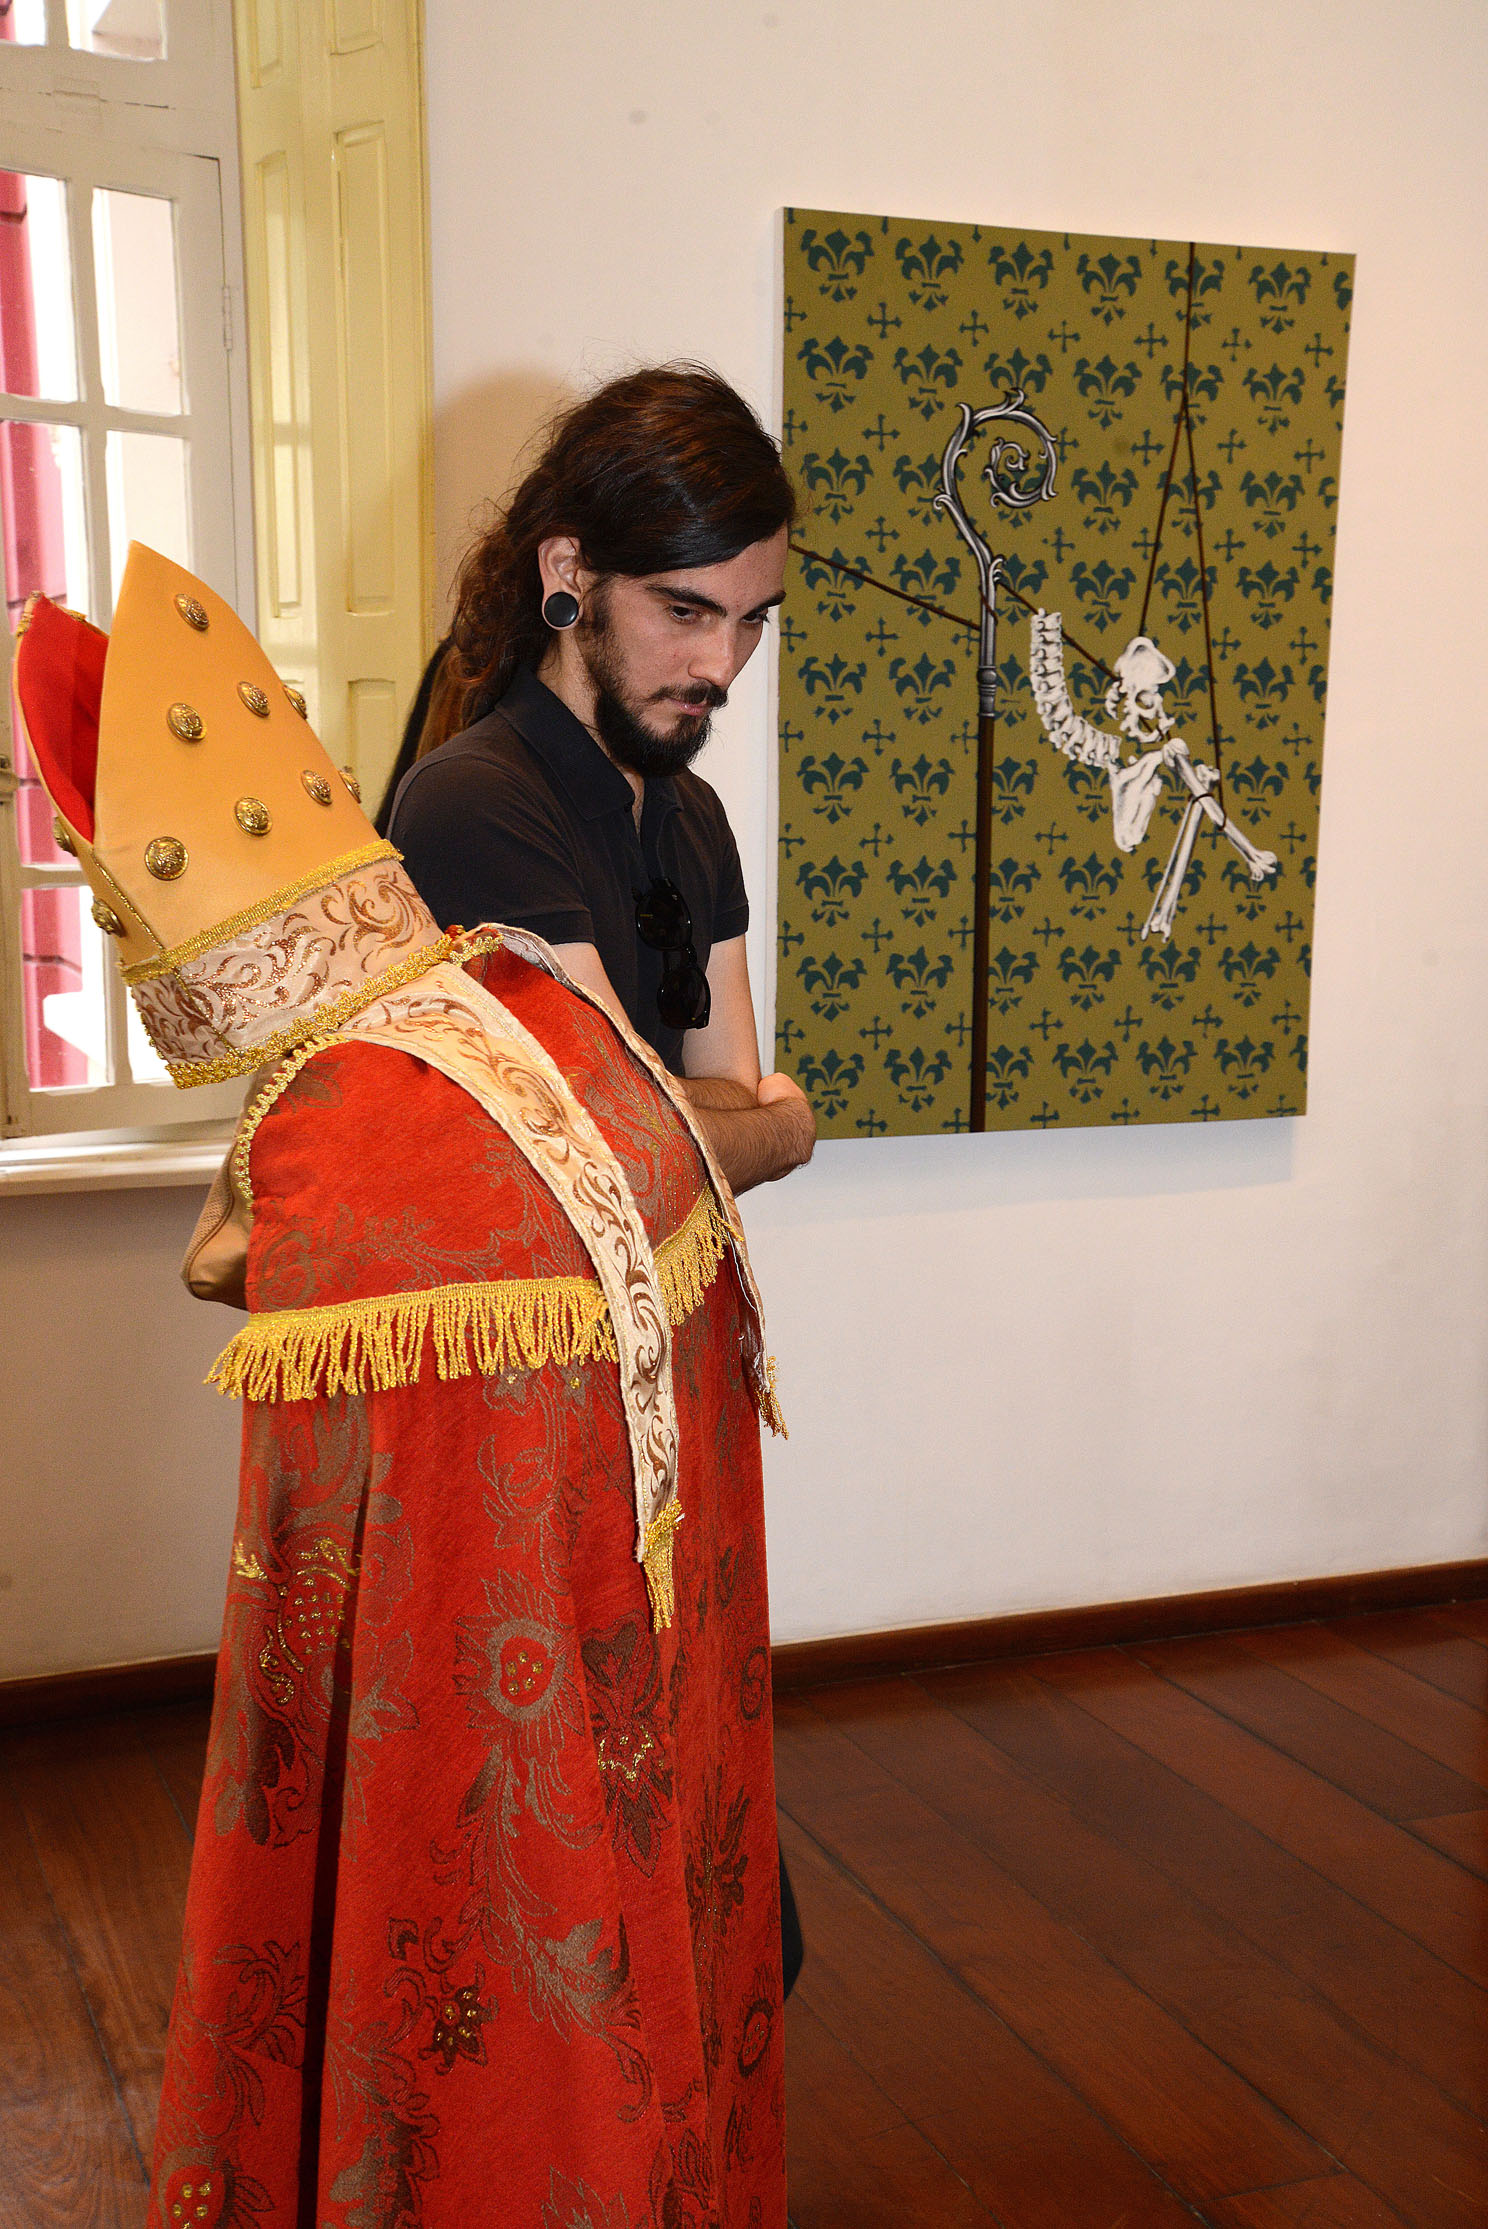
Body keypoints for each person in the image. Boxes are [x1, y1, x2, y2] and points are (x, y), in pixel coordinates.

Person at [18, 545, 790, 2228]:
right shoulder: (509, 985)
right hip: (638, 1662)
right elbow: (732, 1113)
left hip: (493, 1722)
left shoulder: (357, 1136)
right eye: (696, 607)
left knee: (468, 1866)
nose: (718, 652)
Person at [386, 365, 816, 1200]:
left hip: (664, 1322)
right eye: (685, 611)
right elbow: (614, 1145)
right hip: (526, 1326)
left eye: (753, 617)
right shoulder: (475, 801)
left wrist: (689, 1117)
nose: (721, 666)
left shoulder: (694, 813)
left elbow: (672, 1114)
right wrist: (785, 1128)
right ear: (569, 574)